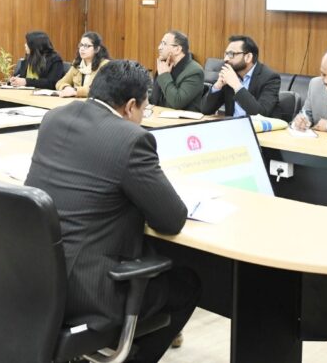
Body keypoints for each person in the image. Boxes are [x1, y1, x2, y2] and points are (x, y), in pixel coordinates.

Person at [25, 60, 200, 362]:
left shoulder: (55, 117)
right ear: (130, 106)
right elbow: (171, 219)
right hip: (86, 290)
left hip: (32, 271)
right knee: (187, 284)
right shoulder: (131, 139)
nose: (143, 116)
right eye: (145, 108)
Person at [201, 34, 281, 117]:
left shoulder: (270, 78)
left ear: (248, 57)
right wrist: (217, 86)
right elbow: (205, 110)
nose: (226, 59)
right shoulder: (229, 74)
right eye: (226, 54)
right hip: (232, 124)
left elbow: (260, 114)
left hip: (256, 125)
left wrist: (236, 86)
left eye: (231, 54)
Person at [150, 30, 204, 112]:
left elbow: (177, 102)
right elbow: (154, 99)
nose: (159, 47)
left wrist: (164, 75)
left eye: (164, 44)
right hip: (157, 116)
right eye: (161, 43)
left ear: (177, 49)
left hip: (183, 119)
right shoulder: (164, 65)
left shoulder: (195, 71)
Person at [55, 31, 110, 98]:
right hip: (77, 101)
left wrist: (75, 91)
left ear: (97, 49)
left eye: (87, 46)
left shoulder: (104, 65)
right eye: (81, 45)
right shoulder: (77, 64)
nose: (82, 49)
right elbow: (59, 83)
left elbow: (99, 89)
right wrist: (66, 88)